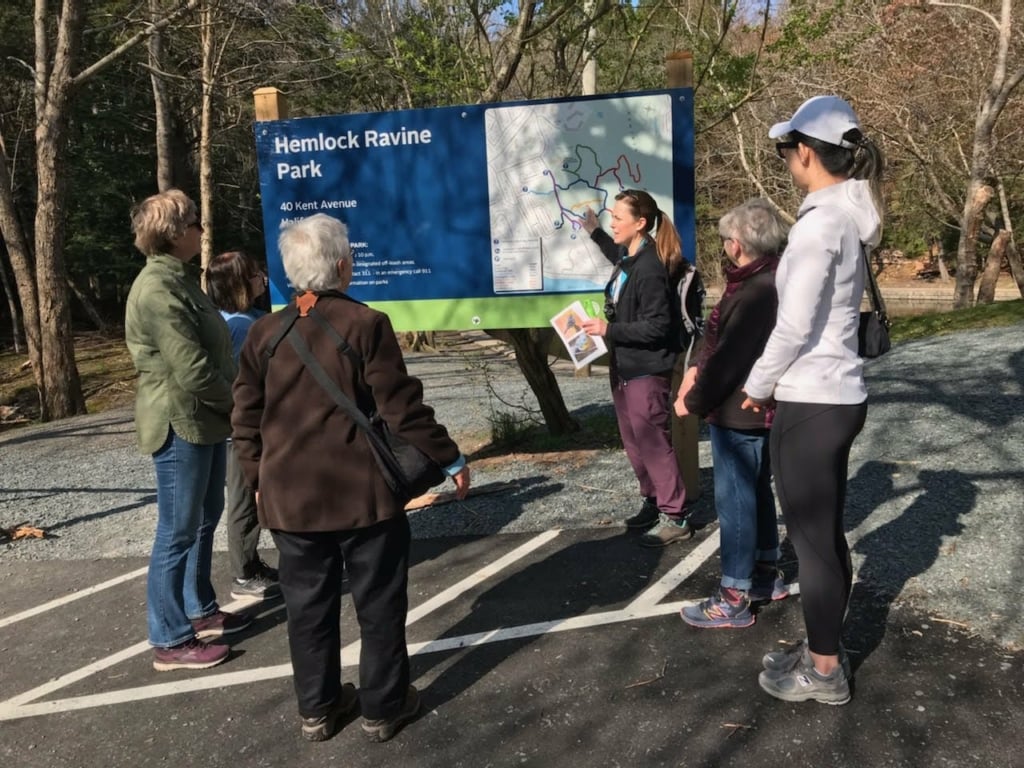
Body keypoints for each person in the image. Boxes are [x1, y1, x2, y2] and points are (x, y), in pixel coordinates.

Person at [231, 213, 471, 742]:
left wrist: (256, 476)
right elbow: (401, 409)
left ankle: (316, 709)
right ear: (342, 265)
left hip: (289, 497)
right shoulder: (366, 324)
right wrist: (450, 458)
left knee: (306, 608)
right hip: (362, 494)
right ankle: (383, 708)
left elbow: (244, 417)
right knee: (379, 603)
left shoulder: (264, 332)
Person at [741, 95, 885, 705]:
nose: (786, 161)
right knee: (823, 534)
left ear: (805, 152)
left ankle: (824, 670)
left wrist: (756, 385)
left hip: (813, 398)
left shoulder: (818, 225)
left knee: (812, 540)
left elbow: (794, 325)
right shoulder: (846, 219)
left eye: (786, 150)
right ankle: (824, 647)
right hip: (841, 396)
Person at [125, 189, 252, 672]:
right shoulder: (158, 289)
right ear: (175, 232)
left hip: (203, 419)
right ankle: (170, 639)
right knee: (176, 531)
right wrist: (241, 404)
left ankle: (198, 611)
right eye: (195, 222)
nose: (202, 230)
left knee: (205, 517)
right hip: (179, 422)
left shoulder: (180, 280)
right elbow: (191, 369)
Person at [674, 199, 789, 629]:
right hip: (757, 410)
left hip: (741, 412)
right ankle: (763, 574)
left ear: (737, 245)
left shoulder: (757, 290)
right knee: (757, 492)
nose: (723, 247)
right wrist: (694, 372)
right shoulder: (771, 279)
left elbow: (728, 359)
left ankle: (734, 594)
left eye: (724, 240)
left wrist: (693, 399)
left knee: (736, 501)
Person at [580, 189, 692, 546]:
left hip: (646, 369)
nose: (612, 223)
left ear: (640, 224)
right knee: (634, 443)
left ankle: (675, 515)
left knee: (653, 442)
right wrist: (595, 231)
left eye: (617, 218)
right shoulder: (631, 258)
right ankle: (653, 500)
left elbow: (659, 326)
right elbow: (617, 253)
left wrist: (608, 329)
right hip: (624, 367)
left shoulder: (649, 268)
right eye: (611, 217)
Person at [205, 250, 279, 600]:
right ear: (239, 283)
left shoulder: (235, 318)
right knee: (244, 497)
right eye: (254, 275)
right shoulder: (241, 326)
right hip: (245, 427)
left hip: (240, 425)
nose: (262, 278)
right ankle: (244, 572)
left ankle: (251, 564)